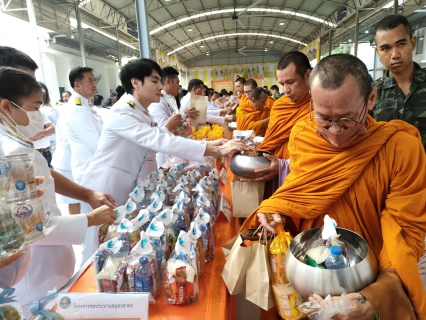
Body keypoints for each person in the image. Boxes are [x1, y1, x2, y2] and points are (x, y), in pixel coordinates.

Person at [242, 54, 426, 320]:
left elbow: (405, 231)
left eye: (347, 119)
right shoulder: (303, 136)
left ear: (371, 99)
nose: (335, 132)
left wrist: (374, 296)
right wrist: (272, 209)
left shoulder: (401, 148)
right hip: (309, 268)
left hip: (371, 274)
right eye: (324, 119)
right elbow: (298, 187)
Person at [79, 58, 247, 263]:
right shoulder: (123, 111)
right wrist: (214, 149)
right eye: (155, 81)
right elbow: (157, 139)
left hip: (126, 183)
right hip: (106, 185)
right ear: (136, 82)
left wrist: (212, 144)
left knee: (118, 243)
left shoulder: (140, 110)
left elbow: (160, 134)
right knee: (99, 247)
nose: (160, 87)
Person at [0, 67, 117, 313]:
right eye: (33, 108)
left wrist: (86, 194)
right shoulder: (14, 152)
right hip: (37, 272)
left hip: (37, 268)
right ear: (6, 107)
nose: (40, 117)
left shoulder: (15, 143)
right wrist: (89, 219)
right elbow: (32, 228)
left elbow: (44, 174)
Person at [0, 46, 117, 215]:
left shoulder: (13, 135)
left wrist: (87, 196)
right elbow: (31, 224)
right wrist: (87, 220)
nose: (94, 84)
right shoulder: (11, 148)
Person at [254, 52, 312, 183]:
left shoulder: (320, 107)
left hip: (301, 176)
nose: (286, 90)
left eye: (290, 82)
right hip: (272, 171)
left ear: (307, 75)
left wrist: (284, 165)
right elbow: (271, 140)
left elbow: (319, 151)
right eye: (282, 84)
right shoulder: (280, 104)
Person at [372, 15, 426, 151]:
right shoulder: (370, 93)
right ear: (378, 52)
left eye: (401, 44)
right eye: (385, 48)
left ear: (413, 43)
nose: (395, 54)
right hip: (390, 171)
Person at [59, 67, 103, 187]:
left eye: (94, 80)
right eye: (90, 81)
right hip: (89, 170)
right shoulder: (77, 108)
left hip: (94, 169)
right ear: (77, 85)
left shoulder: (84, 105)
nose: (94, 84)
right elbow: (95, 144)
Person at [148, 66, 197, 168]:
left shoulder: (169, 98)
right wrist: (182, 117)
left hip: (172, 147)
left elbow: (174, 120)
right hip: (164, 150)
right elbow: (164, 127)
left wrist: (183, 117)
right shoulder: (158, 101)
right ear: (168, 81)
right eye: (177, 82)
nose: (179, 86)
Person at [39, 82, 59, 157]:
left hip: (52, 140)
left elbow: (58, 126)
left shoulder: (48, 110)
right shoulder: (48, 110)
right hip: (49, 141)